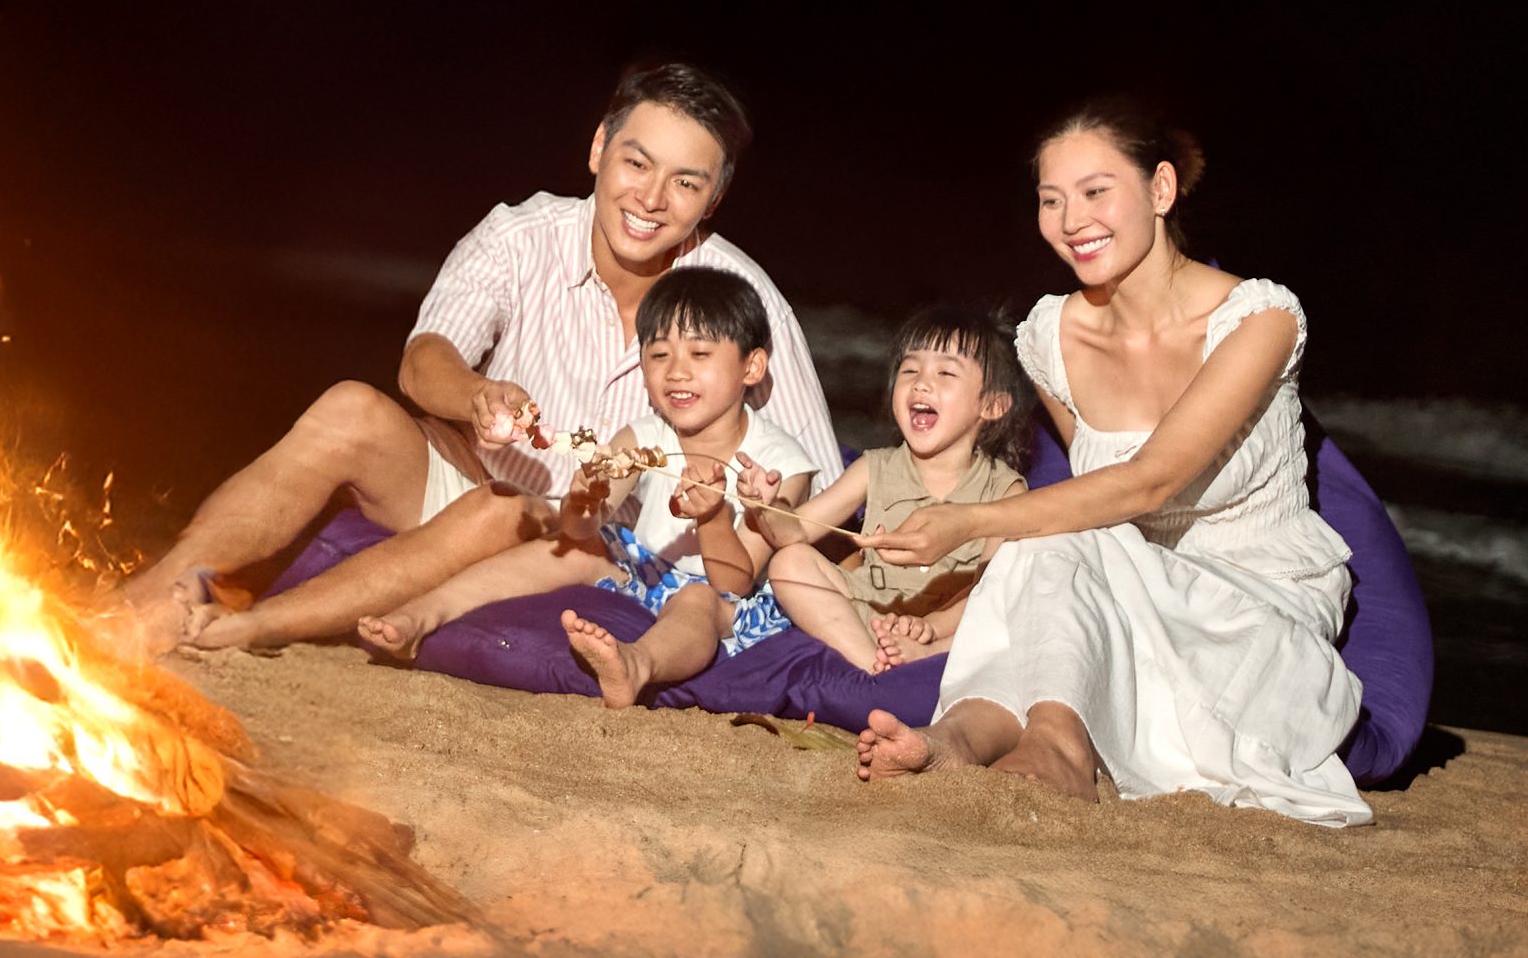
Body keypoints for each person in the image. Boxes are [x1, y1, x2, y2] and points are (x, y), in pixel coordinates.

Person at [104, 59, 846, 656]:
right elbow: (423, 360)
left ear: (713, 198)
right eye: (636, 163)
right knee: (348, 408)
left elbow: (818, 485)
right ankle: (151, 600)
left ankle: (255, 627)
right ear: (599, 148)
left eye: (685, 182)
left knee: (502, 510)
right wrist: (476, 395)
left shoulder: (744, 297)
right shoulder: (520, 235)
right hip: (473, 477)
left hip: (604, 548)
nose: (651, 198)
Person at [852, 100, 1371, 827]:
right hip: (1125, 586)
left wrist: (966, 521)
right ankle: (955, 739)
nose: (1072, 221)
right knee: (1055, 537)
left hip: (1256, 607)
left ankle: (1058, 749)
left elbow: (1147, 481)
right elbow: (1096, 496)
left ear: (1161, 188)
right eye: (1051, 200)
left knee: (1055, 534)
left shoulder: (1258, 319)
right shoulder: (1049, 336)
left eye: (1096, 191)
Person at [352, 269, 816, 706]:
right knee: (570, 549)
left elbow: (734, 583)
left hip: (719, 601)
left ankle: (636, 664)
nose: (676, 372)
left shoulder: (780, 463)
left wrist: (712, 518)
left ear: (752, 366)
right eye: (659, 356)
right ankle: (424, 614)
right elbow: (580, 529)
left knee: (696, 600)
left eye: (699, 355)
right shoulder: (646, 435)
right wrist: (583, 501)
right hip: (645, 571)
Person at [734, 304, 1032, 674]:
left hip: (951, 627)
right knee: (788, 563)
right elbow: (795, 532)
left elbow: (990, 589)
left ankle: (922, 657)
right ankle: (874, 666)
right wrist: (765, 507)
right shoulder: (874, 468)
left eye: (945, 373)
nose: (921, 383)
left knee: (1010, 603)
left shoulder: (1005, 493)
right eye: (910, 370)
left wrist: (932, 628)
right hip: (870, 612)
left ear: (992, 405)